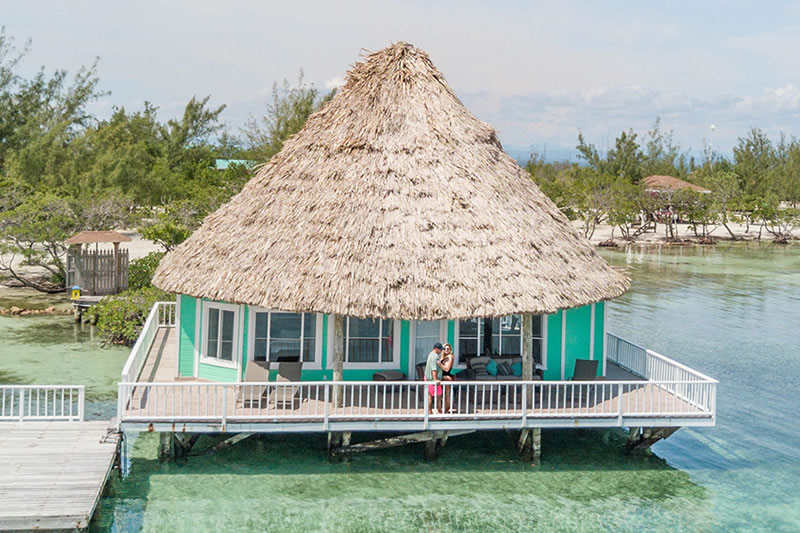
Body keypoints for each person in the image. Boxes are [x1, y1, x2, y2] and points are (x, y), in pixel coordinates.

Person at [425, 342, 444, 414]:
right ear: (436, 348)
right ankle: (432, 411)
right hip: (431, 379)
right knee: (435, 395)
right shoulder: (434, 357)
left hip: (429, 378)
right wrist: (435, 379)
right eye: (440, 349)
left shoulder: (431, 354)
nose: (441, 351)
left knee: (432, 395)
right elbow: (434, 369)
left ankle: (437, 410)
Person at [438, 343, 455, 413]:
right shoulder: (444, 356)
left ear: (450, 349)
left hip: (446, 377)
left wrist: (439, 364)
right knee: (442, 394)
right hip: (442, 377)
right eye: (445, 348)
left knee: (446, 395)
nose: (446, 350)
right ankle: (443, 409)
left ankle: (446, 409)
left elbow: (447, 369)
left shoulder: (450, 357)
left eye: (448, 348)